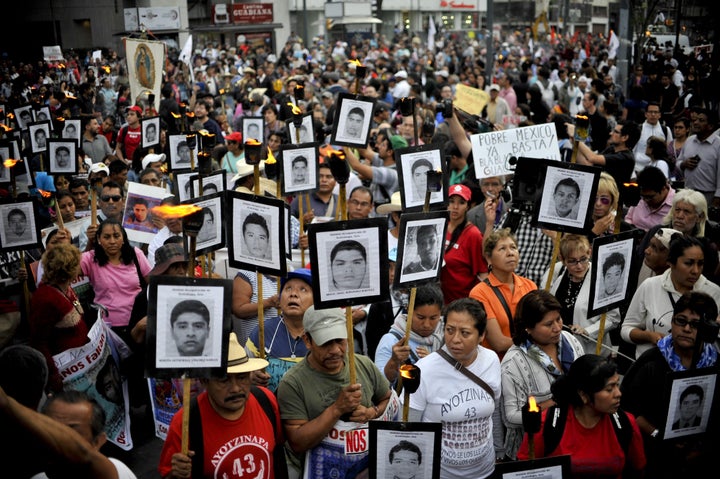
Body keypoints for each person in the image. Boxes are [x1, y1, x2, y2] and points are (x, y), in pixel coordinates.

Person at [277, 305, 393, 477]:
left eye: (340, 340)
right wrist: (337, 409)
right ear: (307, 341)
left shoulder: (363, 364)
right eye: (325, 343)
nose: (335, 350)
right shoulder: (292, 383)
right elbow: (297, 442)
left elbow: (388, 400)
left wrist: (372, 412)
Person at [159, 332, 287, 479]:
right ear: (204, 381)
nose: (235, 388)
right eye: (224, 380)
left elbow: (278, 450)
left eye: (242, 377)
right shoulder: (186, 422)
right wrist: (176, 474)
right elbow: (168, 473)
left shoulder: (265, 400)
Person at [621, 291, 720, 478]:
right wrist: (658, 435)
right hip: (653, 458)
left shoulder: (715, 363)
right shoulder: (651, 362)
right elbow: (628, 408)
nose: (687, 329)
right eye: (681, 321)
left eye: (696, 324)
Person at [407, 298, 501, 479]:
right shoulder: (424, 370)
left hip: (485, 472)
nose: (455, 339)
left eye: (465, 333)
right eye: (450, 330)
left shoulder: (491, 360)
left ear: (481, 336)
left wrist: (500, 451)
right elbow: (410, 428)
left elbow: (494, 411)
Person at [517, 355, 646, 477]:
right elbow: (525, 472)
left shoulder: (625, 423)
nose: (618, 394)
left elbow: (638, 469)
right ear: (583, 395)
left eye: (617, 385)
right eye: (609, 389)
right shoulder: (548, 424)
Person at [500, 290, 586, 459]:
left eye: (558, 319)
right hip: (534, 451)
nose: (557, 328)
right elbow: (510, 418)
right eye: (548, 324)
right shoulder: (513, 364)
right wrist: (555, 402)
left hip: (574, 442)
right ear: (528, 328)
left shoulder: (570, 341)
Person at [0, 387, 137, 479]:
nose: (56, 439)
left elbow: (84, 455)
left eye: (70, 432)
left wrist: (7, 404)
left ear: (97, 442)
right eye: (51, 428)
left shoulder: (117, 471)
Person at [621, 234, 720, 359]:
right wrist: (650, 336)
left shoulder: (713, 292)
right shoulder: (650, 286)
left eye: (700, 264)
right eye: (688, 263)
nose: (695, 271)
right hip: (653, 367)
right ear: (671, 263)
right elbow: (626, 329)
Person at [544, 234, 621, 355]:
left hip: (590, 352)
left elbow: (613, 318)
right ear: (563, 260)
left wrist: (587, 331)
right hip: (560, 347)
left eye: (583, 259)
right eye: (572, 261)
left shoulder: (602, 278)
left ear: (589, 253)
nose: (579, 266)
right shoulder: (557, 272)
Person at [29, 242, 89, 393]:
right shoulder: (46, 299)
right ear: (69, 270)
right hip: (66, 372)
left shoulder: (65, 287)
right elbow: (39, 342)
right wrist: (54, 376)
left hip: (81, 363)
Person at [470, 228, 537, 358]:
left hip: (529, 361)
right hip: (498, 365)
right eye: (502, 249)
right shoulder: (479, 293)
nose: (510, 253)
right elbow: (499, 343)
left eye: (513, 247)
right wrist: (537, 339)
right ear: (489, 258)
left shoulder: (530, 285)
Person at [245, 268, 311, 392]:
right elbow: (241, 372)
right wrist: (250, 376)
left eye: (303, 289)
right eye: (288, 288)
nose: (293, 294)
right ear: (280, 299)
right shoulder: (263, 331)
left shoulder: (321, 335)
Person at [80, 218, 151, 330]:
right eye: (106, 237)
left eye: (116, 236)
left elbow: (153, 284)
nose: (112, 241)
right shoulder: (90, 258)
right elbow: (69, 269)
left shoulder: (136, 254)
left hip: (137, 324)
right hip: (106, 327)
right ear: (99, 239)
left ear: (123, 238)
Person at [374, 282, 444, 385]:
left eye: (433, 318)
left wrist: (434, 363)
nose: (427, 325)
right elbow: (379, 386)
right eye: (420, 317)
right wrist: (393, 362)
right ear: (408, 309)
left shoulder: (449, 336)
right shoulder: (391, 341)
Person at [441, 184, 488, 303]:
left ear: (468, 206)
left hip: (461, 303)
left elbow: (483, 273)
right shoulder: (439, 226)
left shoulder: (473, 234)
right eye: (451, 201)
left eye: (461, 202)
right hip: (438, 301)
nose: (455, 207)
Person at [678, 108, 720, 209]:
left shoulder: (718, 145)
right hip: (688, 195)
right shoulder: (689, 140)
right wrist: (684, 164)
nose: (695, 123)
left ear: (710, 126)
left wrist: (717, 199)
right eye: (695, 120)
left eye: (701, 120)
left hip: (708, 196)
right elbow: (678, 162)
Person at [625, 165, 675, 232]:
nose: (645, 200)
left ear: (663, 188)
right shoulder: (640, 198)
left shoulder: (677, 205)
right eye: (643, 196)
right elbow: (628, 218)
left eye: (650, 197)